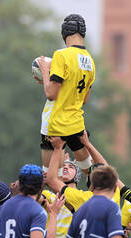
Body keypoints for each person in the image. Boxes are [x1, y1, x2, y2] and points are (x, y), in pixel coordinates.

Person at [38, 14, 95, 175]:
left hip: (55, 123)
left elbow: (51, 94)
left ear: (64, 33)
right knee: (89, 171)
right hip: (76, 122)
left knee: (52, 176)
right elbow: (84, 98)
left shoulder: (61, 55)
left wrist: (44, 71)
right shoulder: (90, 60)